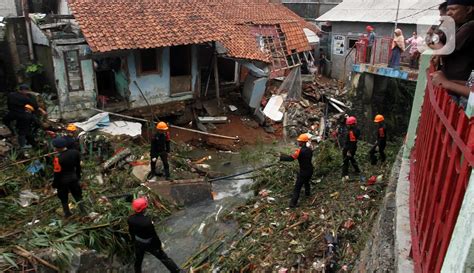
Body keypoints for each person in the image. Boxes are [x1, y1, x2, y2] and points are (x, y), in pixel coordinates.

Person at [431, 0, 474, 106]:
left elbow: (444, 50)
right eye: (448, 10)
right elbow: (430, 37)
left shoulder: (470, 27)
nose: (449, 13)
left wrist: (447, 83)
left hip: (458, 92)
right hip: (456, 84)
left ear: (468, 9)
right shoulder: (458, 26)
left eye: (453, 9)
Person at [128, 197, 181, 273]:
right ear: (143, 209)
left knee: (138, 260)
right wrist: (159, 246)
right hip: (150, 244)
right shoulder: (147, 222)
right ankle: (177, 271)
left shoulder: (130, 219)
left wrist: (134, 241)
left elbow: (131, 232)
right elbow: (154, 236)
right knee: (164, 258)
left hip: (138, 243)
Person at [52, 137, 84, 217]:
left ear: (57, 148)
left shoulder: (58, 159)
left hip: (63, 182)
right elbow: (78, 167)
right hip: (74, 178)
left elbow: (57, 173)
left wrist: (54, 184)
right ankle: (83, 211)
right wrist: (78, 176)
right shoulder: (75, 153)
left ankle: (67, 213)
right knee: (77, 195)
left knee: (63, 197)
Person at [279, 133, 314, 208]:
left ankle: (292, 204)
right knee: (307, 181)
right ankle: (307, 194)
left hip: (303, 172)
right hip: (310, 170)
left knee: (297, 188)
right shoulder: (310, 149)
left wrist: (281, 157)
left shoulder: (299, 151)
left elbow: (291, 158)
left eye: (299, 141)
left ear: (303, 142)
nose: (298, 142)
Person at [342, 116, 361, 181]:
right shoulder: (357, 129)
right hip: (352, 148)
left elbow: (352, 142)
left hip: (349, 148)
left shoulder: (351, 132)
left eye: (348, 125)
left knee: (345, 161)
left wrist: (349, 151)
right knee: (352, 159)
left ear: (352, 125)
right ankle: (357, 170)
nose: (347, 126)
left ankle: (345, 175)